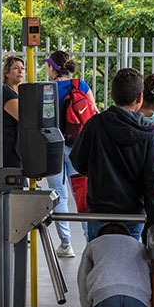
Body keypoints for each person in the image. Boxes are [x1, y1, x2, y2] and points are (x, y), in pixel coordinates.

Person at [69, 68, 154, 243]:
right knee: (129, 263)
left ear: (112, 95)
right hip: (133, 215)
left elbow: (78, 162)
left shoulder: (95, 125)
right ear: (140, 97)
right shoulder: (147, 132)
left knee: (98, 262)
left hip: (99, 213)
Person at [43, 50, 96, 257]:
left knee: (58, 195)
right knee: (81, 194)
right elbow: (92, 115)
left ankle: (66, 244)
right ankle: (89, 241)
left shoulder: (46, 89)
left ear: (52, 68)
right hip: (78, 148)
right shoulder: (81, 86)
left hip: (53, 146)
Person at [1, 55, 25, 170]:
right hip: (10, 147)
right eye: (16, 68)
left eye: (22, 68)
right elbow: (23, 116)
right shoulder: (7, 92)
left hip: (17, 145)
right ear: (6, 73)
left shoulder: (17, 92)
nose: (20, 70)